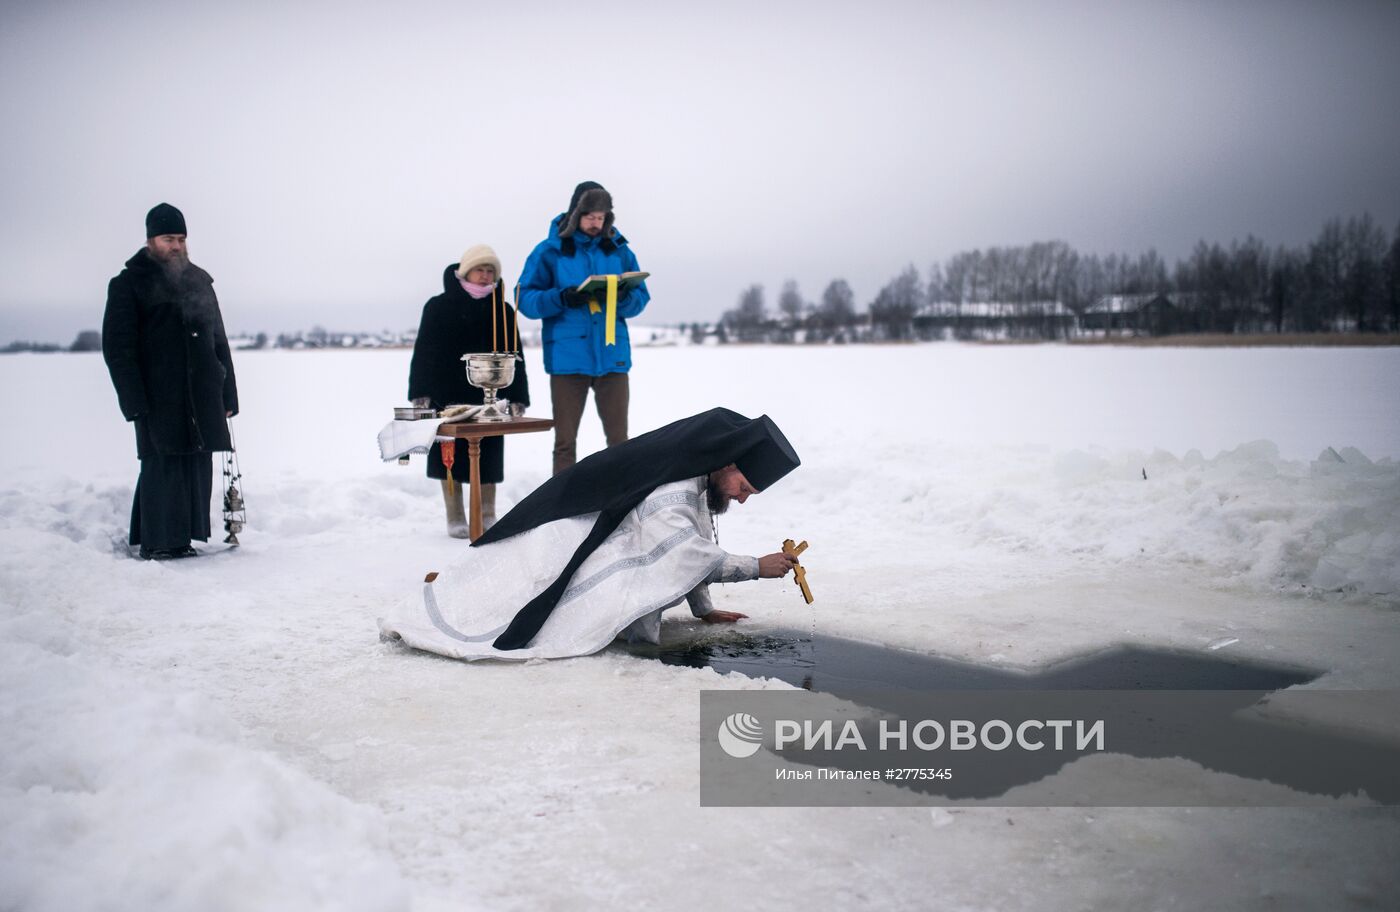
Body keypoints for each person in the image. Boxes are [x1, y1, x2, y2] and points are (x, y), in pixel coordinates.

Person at [379, 408, 801, 661]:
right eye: (745, 488)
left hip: (586, 536)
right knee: (509, 600)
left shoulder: (696, 475)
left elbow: (696, 539)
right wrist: (755, 568)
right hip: (563, 538)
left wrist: (702, 608)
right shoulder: (674, 491)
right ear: (727, 464)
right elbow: (683, 553)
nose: (743, 499)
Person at [102, 203, 239, 560]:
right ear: (151, 241)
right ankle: (158, 541)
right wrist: (132, 400)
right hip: (157, 393)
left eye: (180, 239)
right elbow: (118, 348)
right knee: (161, 463)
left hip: (201, 390)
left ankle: (181, 537)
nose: (176, 246)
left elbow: (218, 340)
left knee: (194, 463)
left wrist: (228, 394)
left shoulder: (198, 280)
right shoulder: (129, 284)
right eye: (168, 239)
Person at [516, 181, 650, 476]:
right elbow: (524, 298)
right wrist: (561, 297)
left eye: (601, 217)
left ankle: (619, 502)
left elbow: (642, 297)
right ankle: (561, 507)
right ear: (576, 213)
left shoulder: (619, 250)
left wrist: (622, 296)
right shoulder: (549, 251)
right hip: (567, 360)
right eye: (590, 216)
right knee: (565, 443)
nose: (595, 223)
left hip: (613, 357)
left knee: (619, 442)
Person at [408, 245, 530, 537]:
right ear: (465, 272)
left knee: (488, 454)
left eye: (491, 272)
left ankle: (487, 511)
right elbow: (424, 350)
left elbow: (515, 355)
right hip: (445, 394)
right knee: (449, 456)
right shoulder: (438, 306)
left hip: (489, 397)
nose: (485, 276)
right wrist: (420, 392)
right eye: (480, 270)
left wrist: (518, 396)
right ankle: (455, 515)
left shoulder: (502, 310)